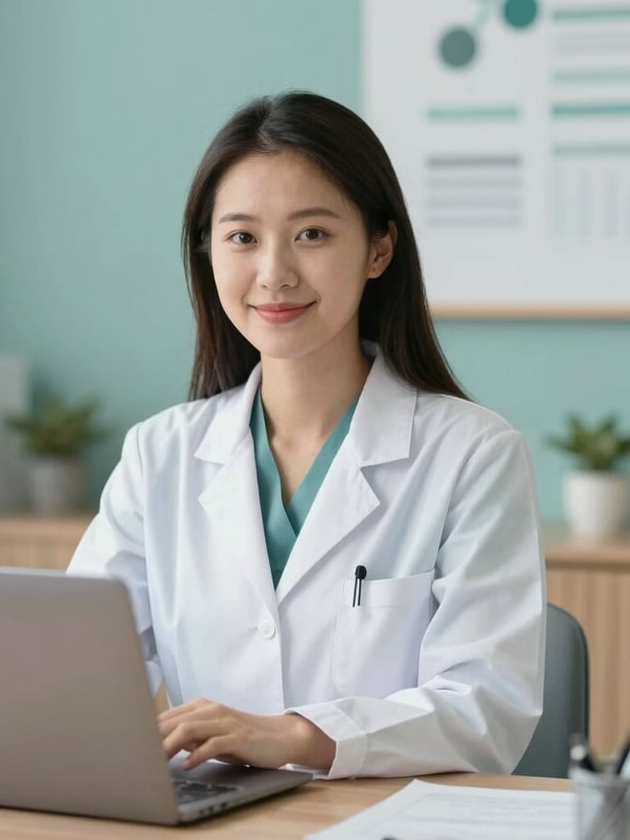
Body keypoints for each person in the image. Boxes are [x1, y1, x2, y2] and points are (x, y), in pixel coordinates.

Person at [68, 91, 545, 779]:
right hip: (215, 823)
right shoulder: (160, 456)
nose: (274, 273)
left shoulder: (472, 454)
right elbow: (82, 670)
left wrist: (295, 736)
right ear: (208, 252)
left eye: (312, 234)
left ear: (380, 248)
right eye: (241, 237)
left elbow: (484, 708)